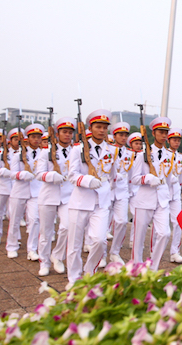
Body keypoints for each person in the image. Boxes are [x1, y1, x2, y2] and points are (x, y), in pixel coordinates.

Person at [66, 109, 115, 285]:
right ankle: (73, 278)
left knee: (100, 240)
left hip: (101, 202)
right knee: (74, 244)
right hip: (80, 201)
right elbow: (71, 175)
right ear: (90, 128)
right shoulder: (78, 149)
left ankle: (89, 272)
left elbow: (112, 174)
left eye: (104, 127)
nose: (102, 130)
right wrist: (87, 180)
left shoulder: (111, 150)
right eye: (98, 127)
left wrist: (107, 188)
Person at [130, 116, 173, 270]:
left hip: (162, 200)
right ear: (153, 133)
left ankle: (152, 268)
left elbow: (167, 179)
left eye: (165, 132)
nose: (163, 135)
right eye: (160, 132)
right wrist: (147, 178)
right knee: (139, 237)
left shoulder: (170, 155)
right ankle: (136, 266)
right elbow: (134, 179)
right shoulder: (142, 155)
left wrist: (169, 197)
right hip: (144, 199)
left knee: (164, 234)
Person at [34, 117, 75, 276]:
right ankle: (44, 262)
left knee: (67, 226)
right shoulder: (46, 152)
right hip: (49, 195)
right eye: (64, 132)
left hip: (67, 195)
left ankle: (57, 255)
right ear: (57, 134)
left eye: (70, 132)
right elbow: (39, 174)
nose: (67, 135)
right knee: (46, 231)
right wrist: (52, 176)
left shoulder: (75, 151)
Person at [6, 124, 43, 260]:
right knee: (15, 220)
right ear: (27, 139)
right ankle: (12, 246)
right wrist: (23, 175)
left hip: (36, 191)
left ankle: (32, 249)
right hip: (20, 190)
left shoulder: (44, 154)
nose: (36, 140)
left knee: (35, 220)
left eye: (38, 137)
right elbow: (12, 173)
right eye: (33, 137)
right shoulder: (18, 155)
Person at [108, 121, 133, 264]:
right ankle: (97, 249)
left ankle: (115, 252)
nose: (123, 138)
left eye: (125, 135)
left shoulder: (129, 153)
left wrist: (131, 192)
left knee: (122, 221)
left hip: (122, 191)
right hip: (108, 190)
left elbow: (130, 173)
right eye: (120, 135)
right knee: (103, 224)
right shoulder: (108, 150)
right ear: (114, 135)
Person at [0, 130, 17, 246]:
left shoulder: (23, 154)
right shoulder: (2, 153)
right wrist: (6, 172)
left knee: (14, 215)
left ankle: (14, 238)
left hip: (16, 187)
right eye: (15, 139)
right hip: (2, 186)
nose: (18, 141)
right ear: (10, 141)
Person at [166, 128, 182, 263]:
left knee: (178, 222)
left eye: (178, 140)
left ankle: (175, 252)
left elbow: (181, 177)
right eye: (174, 140)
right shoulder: (164, 155)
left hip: (175, 194)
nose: (176, 142)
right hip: (163, 192)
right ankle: (154, 251)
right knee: (159, 226)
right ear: (168, 141)